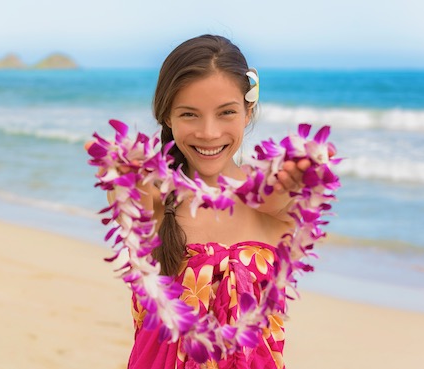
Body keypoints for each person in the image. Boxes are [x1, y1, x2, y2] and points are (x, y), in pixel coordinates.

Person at [92, 34, 310, 369]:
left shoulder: (274, 203)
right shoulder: (153, 201)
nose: (209, 132)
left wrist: (284, 189)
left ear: (248, 111)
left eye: (226, 112)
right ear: (166, 116)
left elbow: (290, 200)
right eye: (190, 115)